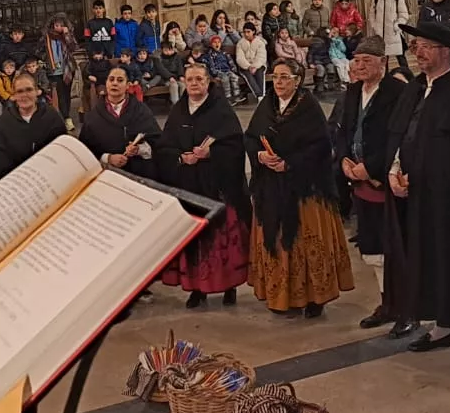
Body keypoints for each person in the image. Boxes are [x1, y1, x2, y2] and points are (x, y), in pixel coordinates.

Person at [383, 21, 450, 351]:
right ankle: (442, 327)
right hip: (417, 197)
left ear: (447, 51)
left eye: (424, 46)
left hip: (448, 199)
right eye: (415, 46)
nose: (417, 52)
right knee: (429, 262)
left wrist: (426, 176)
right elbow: (403, 133)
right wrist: (395, 168)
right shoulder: (416, 86)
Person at [244, 58, 354, 317]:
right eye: (276, 76)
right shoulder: (266, 105)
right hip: (271, 187)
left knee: (307, 244)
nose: (279, 82)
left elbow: (320, 147)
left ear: (298, 80)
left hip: (304, 189)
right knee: (279, 244)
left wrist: (289, 164)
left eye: (284, 77)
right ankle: (281, 297)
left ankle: (315, 297)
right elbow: (250, 137)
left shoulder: (309, 107)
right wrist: (260, 156)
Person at [154, 62, 251, 307]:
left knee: (222, 243)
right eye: (190, 79)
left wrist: (211, 155)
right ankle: (198, 289)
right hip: (189, 186)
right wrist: (180, 156)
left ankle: (229, 286)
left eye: (200, 79)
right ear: (184, 82)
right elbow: (165, 146)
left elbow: (235, 146)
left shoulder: (221, 110)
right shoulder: (178, 111)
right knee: (195, 241)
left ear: (208, 82)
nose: (195, 84)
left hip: (216, 187)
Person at [329, 36, 409, 331]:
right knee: (372, 246)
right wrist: (345, 161)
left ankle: (406, 309)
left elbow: (397, 136)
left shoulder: (398, 92)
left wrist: (372, 167)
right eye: (356, 61)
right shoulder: (352, 93)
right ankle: (386, 303)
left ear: (383, 63)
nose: (360, 66)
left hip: (386, 179)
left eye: (367, 61)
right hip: (358, 180)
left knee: (396, 247)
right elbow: (344, 129)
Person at [77, 64, 160, 178]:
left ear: (128, 86)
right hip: (107, 175)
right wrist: (108, 158)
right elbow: (85, 151)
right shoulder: (93, 116)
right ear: (106, 83)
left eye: (120, 80)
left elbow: (158, 142)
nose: (114, 83)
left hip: (139, 173)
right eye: (111, 79)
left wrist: (139, 150)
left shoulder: (141, 111)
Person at [0, 71, 68, 183]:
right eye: (19, 91)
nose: (24, 95)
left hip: (47, 178)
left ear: (37, 92)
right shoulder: (4, 122)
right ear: (14, 96)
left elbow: (62, 149)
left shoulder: (52, 116)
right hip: (15, 180)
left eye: (29, 90)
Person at [369, 0, 409, 70]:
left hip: (394, 33)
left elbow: (403, 14)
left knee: (401, 57)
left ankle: (408, 76)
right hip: (381, 35)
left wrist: (397, 25)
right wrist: (374, 26)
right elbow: (372, 13)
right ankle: (385, 79)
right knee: (383, 60)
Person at [43, 15, 76, 117]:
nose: (58, 27)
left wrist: (66, 34)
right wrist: (47, 60)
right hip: (54, 70)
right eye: (56, 25)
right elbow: (39, 51)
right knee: (60, 94)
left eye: (61, 25)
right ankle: (66, 117)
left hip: (67, 69)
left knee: (67, 94)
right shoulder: (47, 37)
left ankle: (67, 115)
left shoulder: (67, 35)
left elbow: (73, 47)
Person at [235, 20, 268, 99]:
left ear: (253, 31)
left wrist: (255, 66)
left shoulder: (260, 42)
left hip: (258, 65)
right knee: (249, 76)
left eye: (248, 32)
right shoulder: (240, 43)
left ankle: (261, 95)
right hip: (245, 67)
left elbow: (261, 56)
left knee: (260, 73)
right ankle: (259, 95)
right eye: (244, 32)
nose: (246, 34)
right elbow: (240, 58)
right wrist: (249, 66)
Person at [155, 37, 186, 104]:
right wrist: (170, 77)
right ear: (162, 50)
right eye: (166, 50)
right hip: (165, 78)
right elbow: (161, 70)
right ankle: (175, 104)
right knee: (174, 85)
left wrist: (181, 75)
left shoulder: (177, 56)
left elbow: (180, 67)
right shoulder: (158, 58)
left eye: (170, 50)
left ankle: (183, 103)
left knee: (183, 85)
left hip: (176, 77)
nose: (168, 52)